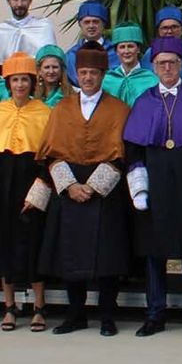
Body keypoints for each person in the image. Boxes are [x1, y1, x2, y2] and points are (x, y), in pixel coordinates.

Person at [124, 41, 182, 338]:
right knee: (154, 252)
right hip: (156, 183)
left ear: (181, 65)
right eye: (162, 63)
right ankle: (155, 313)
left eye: (172, 63)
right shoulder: (144, 100)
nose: (167, 68)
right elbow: (134, 148)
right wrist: (139, 188)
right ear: (153, 66)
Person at [39, 42, 132, 337]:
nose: (88, 77)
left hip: (104, 188)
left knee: (106, 256)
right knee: (71, 253)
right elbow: (51, 153)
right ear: (76, 74)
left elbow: (121, 154)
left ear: (103, 74)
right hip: (69, 187)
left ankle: (107, 314)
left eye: (93, 72)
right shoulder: (62, 108)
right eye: (83, 72)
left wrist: (92, 186)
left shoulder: (119, 109)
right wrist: (70, 186)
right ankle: (75, 313)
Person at [0, 52, 53, 332]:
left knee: (33, 246)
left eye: (25, 80)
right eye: (15, 80)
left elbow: (50, 159)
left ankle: (39, 308)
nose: (20, 85)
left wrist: (39, 193)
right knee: (4, 247)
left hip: (31, 186)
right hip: (2, 186)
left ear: (33, 83)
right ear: (8, 83)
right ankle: (9, 307)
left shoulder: (45, 113)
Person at [64, 0, 118, 84]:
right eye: (87, 22)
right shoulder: (71, 55)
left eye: (95, 22)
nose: (91, 26)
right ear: (80, 24)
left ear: (103, 24)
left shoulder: (116, 53)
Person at [103, 23, 155, 106]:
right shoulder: (107, 80)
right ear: (116, 51)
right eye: (122, 47)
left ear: (138, 49)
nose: (126, 51)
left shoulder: (151, 80)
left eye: (130, 46)